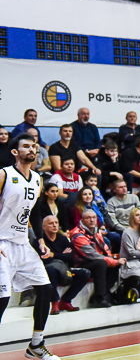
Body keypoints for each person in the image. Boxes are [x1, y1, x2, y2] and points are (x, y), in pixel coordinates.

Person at [0, 134, 60, 359]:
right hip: (2, 243)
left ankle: (36, 345)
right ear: (15, 152)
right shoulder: (4, 174)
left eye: (33, 146)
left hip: (22, 243)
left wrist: (40, 240)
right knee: (2, 298)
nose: (31, 149)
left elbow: (34, 211)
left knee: (46, 290)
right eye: (26, 146)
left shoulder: (37, 179)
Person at [71, 208, 126, 308]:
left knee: (114, 264)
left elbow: (105, 248)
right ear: (82, 220)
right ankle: (99, 298)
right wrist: (113, 262)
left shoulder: (96, 231)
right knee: (102, 263)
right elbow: (91, 255)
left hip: (96, 261)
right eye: (88, 218)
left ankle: (103, 294)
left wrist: (112, 260)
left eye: (93, 217)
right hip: (81, 263)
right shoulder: (77, 234)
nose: (92, 220)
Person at [39, 215, 90, 315]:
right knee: (50, 270)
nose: (54, 225)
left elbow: (71, 257)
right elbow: (44, 259)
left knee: (85, 273)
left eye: (56, 223)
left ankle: (66, 300)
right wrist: (62, 255)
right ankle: (54, 303)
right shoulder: (40, 242)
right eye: (51, 223)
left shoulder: (63, 239)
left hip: (64, 270)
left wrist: (53, 254)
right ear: (43, 227)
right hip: (49, 271)